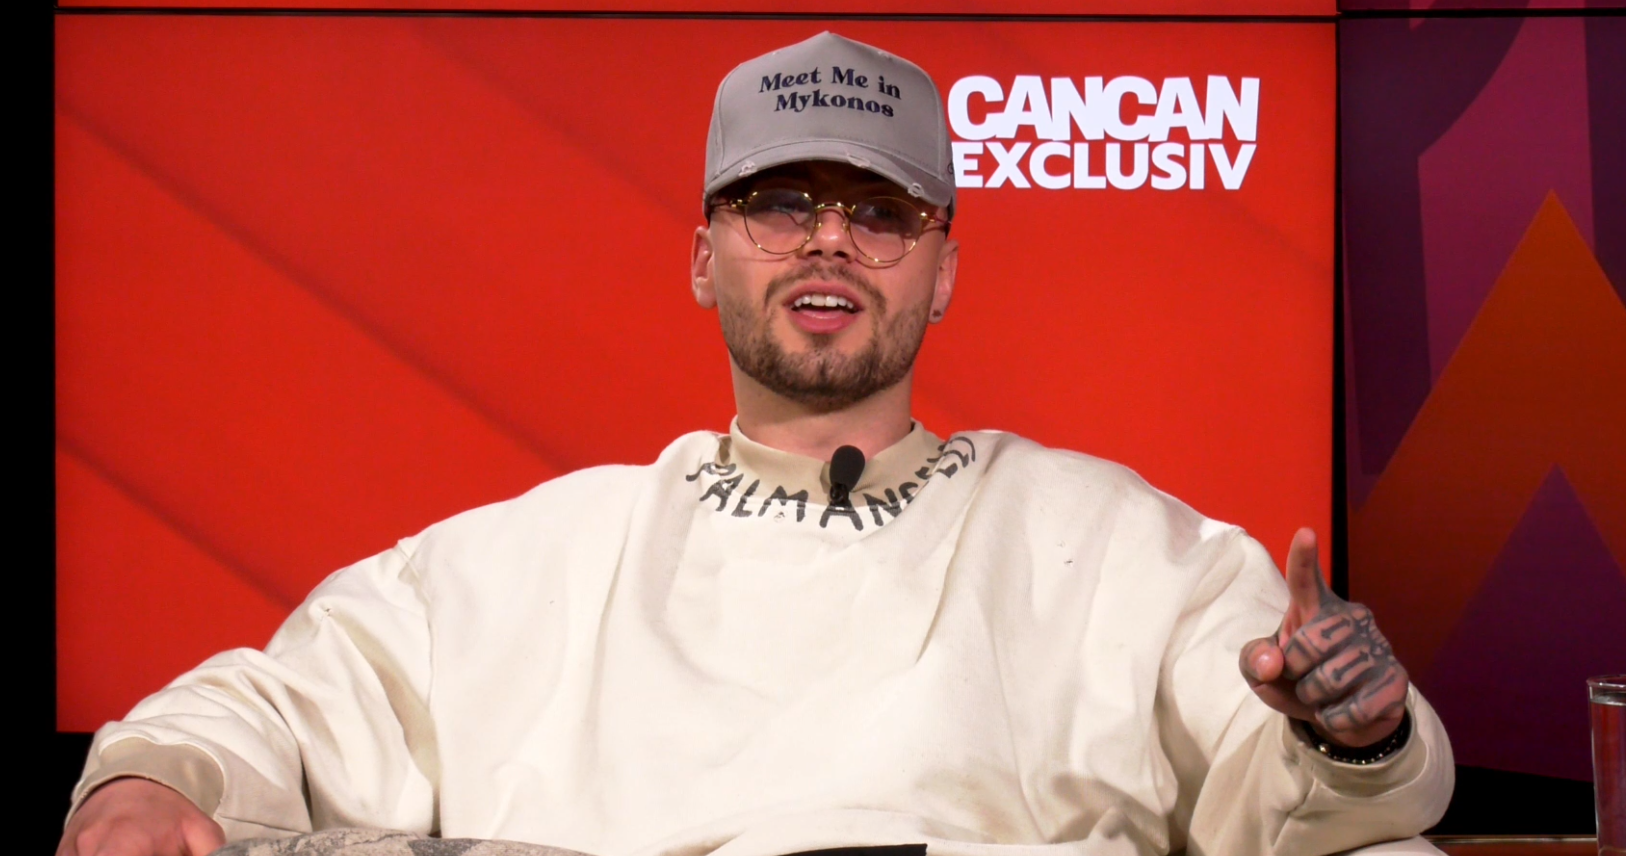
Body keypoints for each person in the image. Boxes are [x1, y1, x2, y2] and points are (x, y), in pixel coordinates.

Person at [59, 31, 1453, 856]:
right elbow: (261, 709)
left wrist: (1356, 730)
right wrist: (145, 778)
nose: (828, 239)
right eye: (780, 203)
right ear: (703, 257)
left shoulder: (1119, 547)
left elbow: (1318, 795)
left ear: (943, 273)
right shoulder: (532, 560)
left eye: (882, 211)